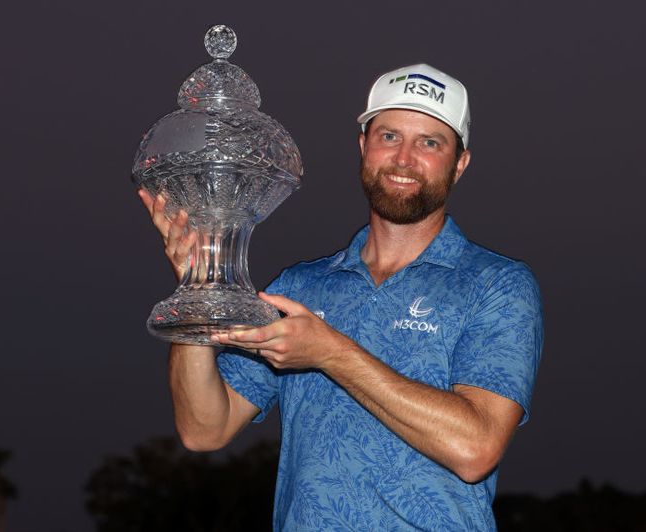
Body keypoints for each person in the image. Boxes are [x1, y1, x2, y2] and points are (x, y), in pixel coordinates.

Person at [138, 63, 544, 531]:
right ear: (363, 146)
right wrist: (199, 289)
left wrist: (330, 353)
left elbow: (475, 449)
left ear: (460, 163)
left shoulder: (497, 285)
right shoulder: (301, 287)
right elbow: (203, 429)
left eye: (430, 142)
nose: (404, 158)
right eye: (389, 136)